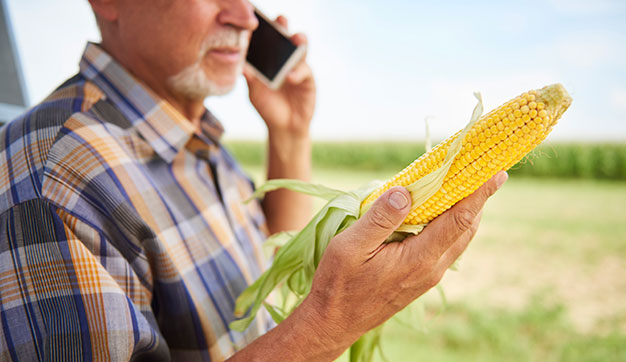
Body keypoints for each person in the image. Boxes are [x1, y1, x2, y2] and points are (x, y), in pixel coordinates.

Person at [0, 0, 507, 361]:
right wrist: (331, 324)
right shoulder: (55, 174)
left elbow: (262, 271)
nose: (244, 17)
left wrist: (289, 133)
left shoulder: (191, 136)